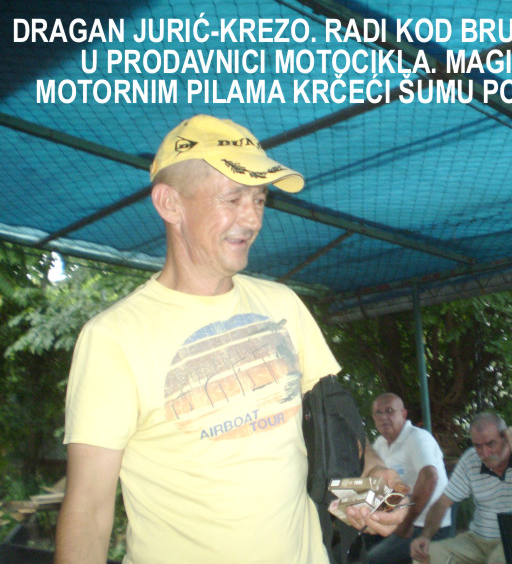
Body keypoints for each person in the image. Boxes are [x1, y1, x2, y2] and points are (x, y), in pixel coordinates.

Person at [54, 114, 405, 564]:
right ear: (170, 203)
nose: (252, 218)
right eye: (233, 198)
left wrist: (372, 476)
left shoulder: (283, 305)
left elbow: (335, 430)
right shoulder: (113, 338)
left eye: (259, 200)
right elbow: (88, 511)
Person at [409, 412, 512, 564]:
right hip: (477, 541)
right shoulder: (471, 460)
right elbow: (442, 503)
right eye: (478, 445)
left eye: (491, 444)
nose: (484, 453)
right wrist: (425, 536)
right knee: (425, 556)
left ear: (506, 438)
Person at [366, 393, 452, 564]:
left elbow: (430, 477)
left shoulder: (417, 438)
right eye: (378, 413)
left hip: (424, 527)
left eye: (389, 411)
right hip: (396, 521)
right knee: (353, 545)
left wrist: (406, 523)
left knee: (372, 560)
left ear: (403, 414)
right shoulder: (380, 443)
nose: (383, 417)